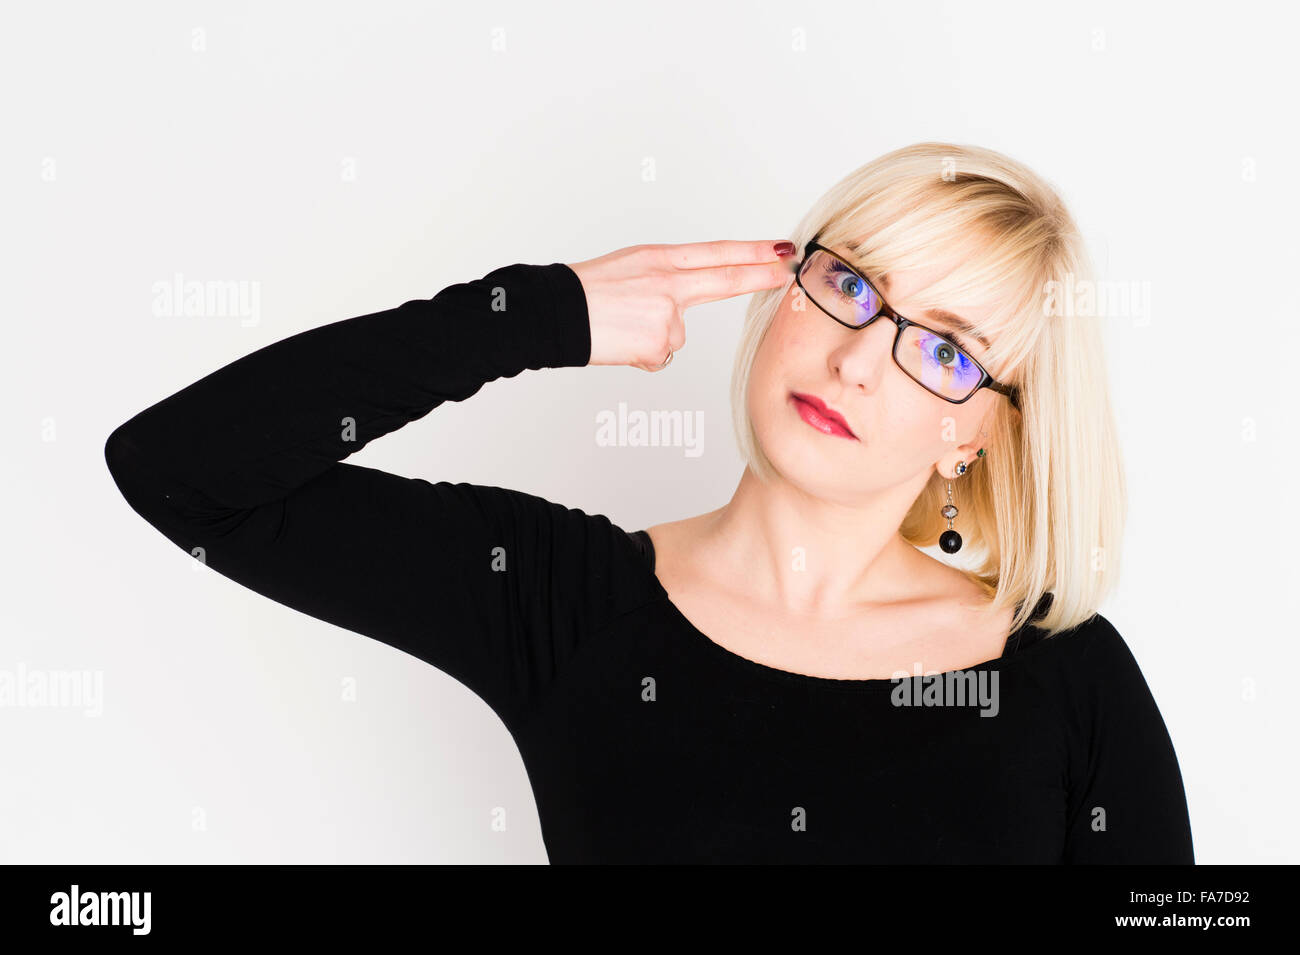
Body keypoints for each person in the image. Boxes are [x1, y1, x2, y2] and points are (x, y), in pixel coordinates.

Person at [104, 141, 1194, 863]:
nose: (859, 360)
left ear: (977, 428)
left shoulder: (1064, 674)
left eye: (945, 351)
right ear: (785, 291)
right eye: (853, 285)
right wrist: (534, 315)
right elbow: (181, 466)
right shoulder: (559, 600)